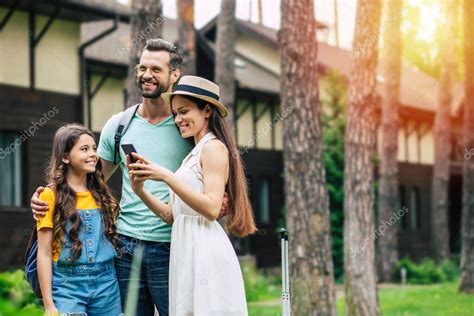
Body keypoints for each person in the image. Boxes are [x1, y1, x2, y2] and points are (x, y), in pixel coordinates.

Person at [30, 38, 227, 315]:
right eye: (142, 67)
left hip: (171, 246)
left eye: (156, 69)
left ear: (174, 75)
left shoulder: (186, 126)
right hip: (124, 247)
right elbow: (86, 178)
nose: (147, 75)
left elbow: (210, 174)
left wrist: (221, 199)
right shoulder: (119, 125)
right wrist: (45, 194)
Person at [127, 75, 257, 315]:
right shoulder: (194, 153)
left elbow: (210, 208)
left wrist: (167, 176)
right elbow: (170, 215)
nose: (178, 120)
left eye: (184, 112)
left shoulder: (214, 148)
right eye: (175, 113)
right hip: (184, 247)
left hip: (204, 250)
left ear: (206, 111)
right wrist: (140, 190)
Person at [36, 123, 121, 315]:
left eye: (94, 148)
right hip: (67, 285)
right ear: (65, 157)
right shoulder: (50, 196)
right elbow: (44, 252)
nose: (93, 154)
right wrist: (49, 305)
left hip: (107, 283)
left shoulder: (103, 195)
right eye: (84, 149)